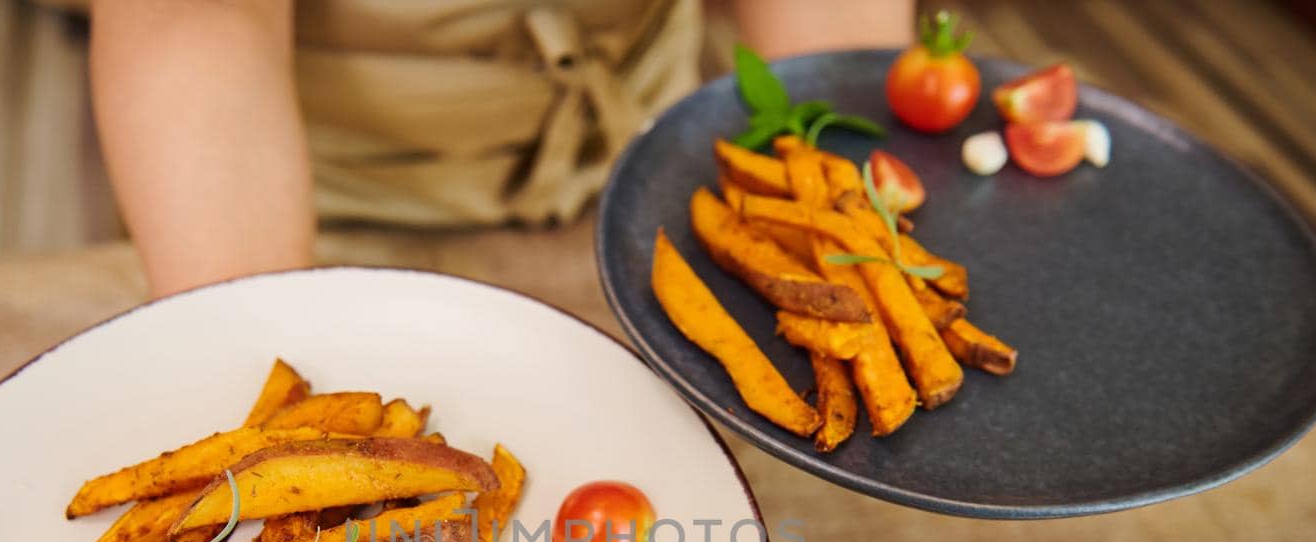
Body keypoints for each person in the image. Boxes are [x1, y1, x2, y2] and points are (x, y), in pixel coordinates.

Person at [88, 0, 913, 298]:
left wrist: (853, 231)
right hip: (295, 199)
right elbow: (193, 22)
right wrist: (259, 356)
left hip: (647, 162)